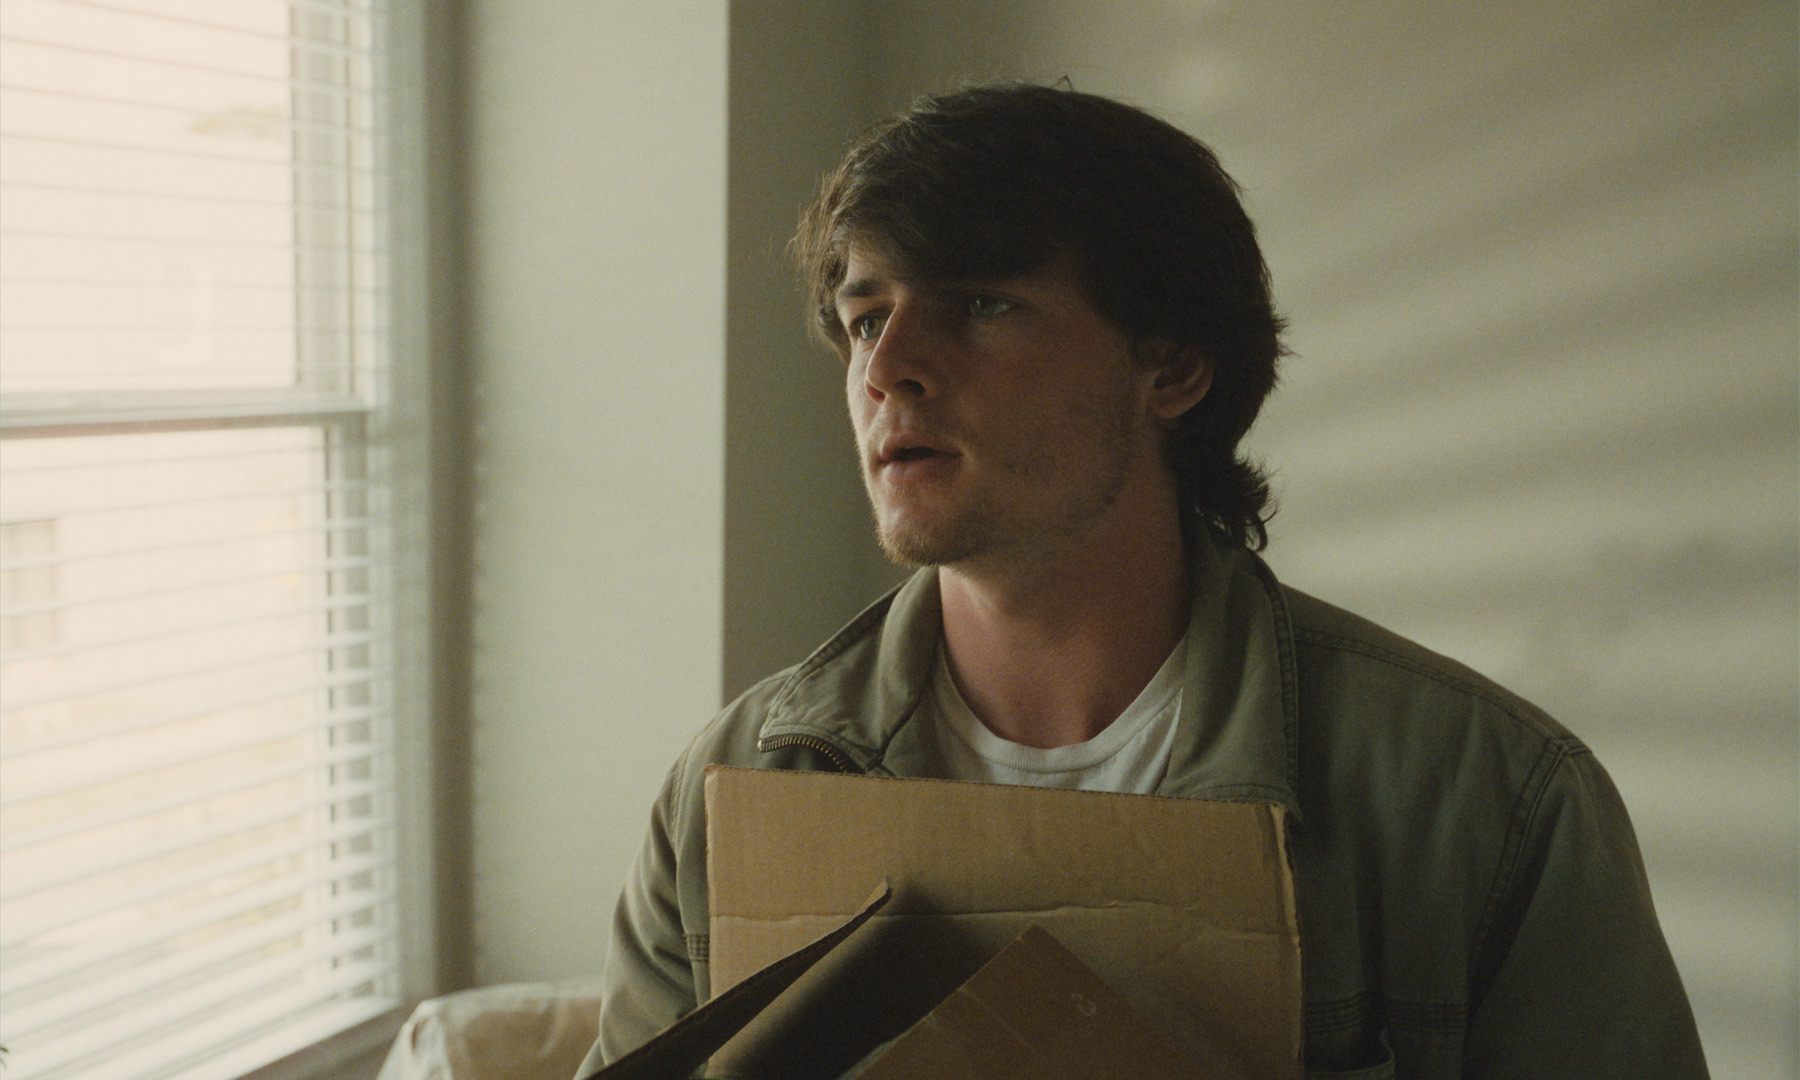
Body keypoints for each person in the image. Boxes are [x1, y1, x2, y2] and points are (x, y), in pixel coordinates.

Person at [576, 83, 1708, 1078]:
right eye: (866, 318)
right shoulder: (731, 789)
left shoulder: (1488, 804)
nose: (888, 367)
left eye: (981, 304)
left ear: (1171, 368)